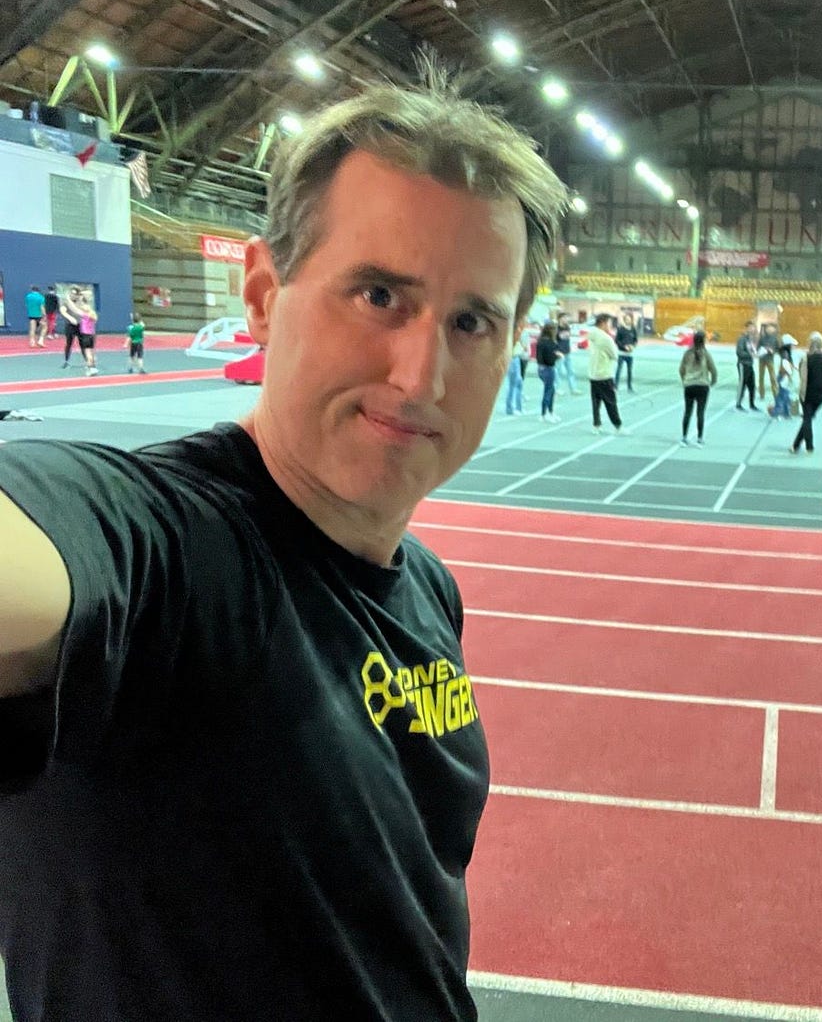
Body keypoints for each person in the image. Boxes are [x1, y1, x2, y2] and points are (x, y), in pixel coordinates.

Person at [0, 78, 570, 1021]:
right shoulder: (169, 549)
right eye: (379, 294)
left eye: (473, 321)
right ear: (264, 295)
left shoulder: (425, 588)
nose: (421, 373)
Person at [791, 332, 822, 454]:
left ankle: (809, 446)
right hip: (820, 394)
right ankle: (795, 445)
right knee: (807, 419)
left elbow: (803, 378)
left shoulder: (806, 358)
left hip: (808, 394)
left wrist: (802, 394)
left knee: (807, 420)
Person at [586, 311, 625, 434]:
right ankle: (618, 425)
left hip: (593, 373)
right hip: (604, 374)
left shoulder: (591, 334)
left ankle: (596, 425)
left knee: (595, 402)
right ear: (602, 323)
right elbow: (614, 355)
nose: (610, 326)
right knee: (610, 402)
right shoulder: (605, 338)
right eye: (608, 323)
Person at [678, 329, 717, 447]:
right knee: (700, 412)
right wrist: (713, 382)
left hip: (689, 385)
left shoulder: (687, 353)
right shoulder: (706, 353)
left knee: (687, 412)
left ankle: (684, 437)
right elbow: (713, 370)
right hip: (703, 385)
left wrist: (685, 380)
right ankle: (700, 438)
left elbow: (681, 369)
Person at [534, 321, 560, 422]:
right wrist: (557, 356)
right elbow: (550, 359)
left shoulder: (540, 341)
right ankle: (544, 413)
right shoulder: (550, 343)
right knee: (548, 391)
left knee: (551, 391)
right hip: (548, 368)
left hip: (541, 368)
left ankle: (550, 412)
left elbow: (539, 357)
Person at [734, 320, 759, 411]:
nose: (753, 329)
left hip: (750, 365)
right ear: (746, 328)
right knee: (742, 385)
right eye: (751, 327)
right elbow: (739, 352)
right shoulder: (742, 339)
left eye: (753, 327)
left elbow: (752, 351)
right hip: (743, 365)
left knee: (752, 385)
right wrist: (751, 355)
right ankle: (738, 404)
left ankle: (752, 404)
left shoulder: (750, 340)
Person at [770, 334, 796, 419]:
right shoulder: (785, 353)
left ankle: (785, 412)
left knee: (783, 395)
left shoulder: (784, 353)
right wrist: (789, 375)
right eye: (792, 345)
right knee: (784, 395)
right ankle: (779, 412)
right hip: (783, 377)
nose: (793, 346)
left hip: (782, 377)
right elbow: (785, 365)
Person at [75, 291, 100, 377]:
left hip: (85, 335)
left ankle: (91, 369)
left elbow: (75, 308)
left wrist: (72, 299)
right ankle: (93, 367)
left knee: (88, 352)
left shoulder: (84, 315)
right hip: (92, 335)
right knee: (92, 352)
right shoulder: (93, 315)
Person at [58, 287, 82, 368]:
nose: (72, 295)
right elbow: (63, 311)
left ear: (78, 295)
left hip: (81, 326)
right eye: (71, 293)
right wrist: (70, 318)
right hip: (70, 326)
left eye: (74, 294)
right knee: (69, 343)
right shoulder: (65, 302)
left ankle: (88, 362)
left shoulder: (81, 302)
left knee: (83, 344)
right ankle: (66, 361)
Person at [613, 311, 637, 392]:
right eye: (626, 319)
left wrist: (632, 346)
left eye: (629, 319)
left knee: (629, 371)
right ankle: (615, 386)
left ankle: (629, 387)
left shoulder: (633, 329)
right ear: (624, 320)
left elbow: (635, 340)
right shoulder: (621, 329)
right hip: (621, 354)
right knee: (619, 370)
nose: (628, 320)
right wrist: (624, 347)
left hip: (630, 355)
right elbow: (616, 340)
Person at [554, 314, 578, 394]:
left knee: (570, 371)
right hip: (559, 352)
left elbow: (567, 337)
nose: (566, 319)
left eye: (566, 317)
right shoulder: (556, 328)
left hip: (567, 351)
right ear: (560, 319)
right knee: (558, 371)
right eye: (564, 318)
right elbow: (555, 339)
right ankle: (557, 388)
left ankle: (573, 389)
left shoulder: (567, 327)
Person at [756, 322, 779, 401]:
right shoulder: (762, 338)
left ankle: (775, 394)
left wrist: (772, 351)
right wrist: (762, 350)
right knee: (761, 378)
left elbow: (777, 349)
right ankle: (761, 394)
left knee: (773, 377)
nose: (769, 329)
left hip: (770, 359)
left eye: (770, 328)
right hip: (762, 360)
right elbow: (757, 348)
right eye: (767, 328)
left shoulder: (775, 338)